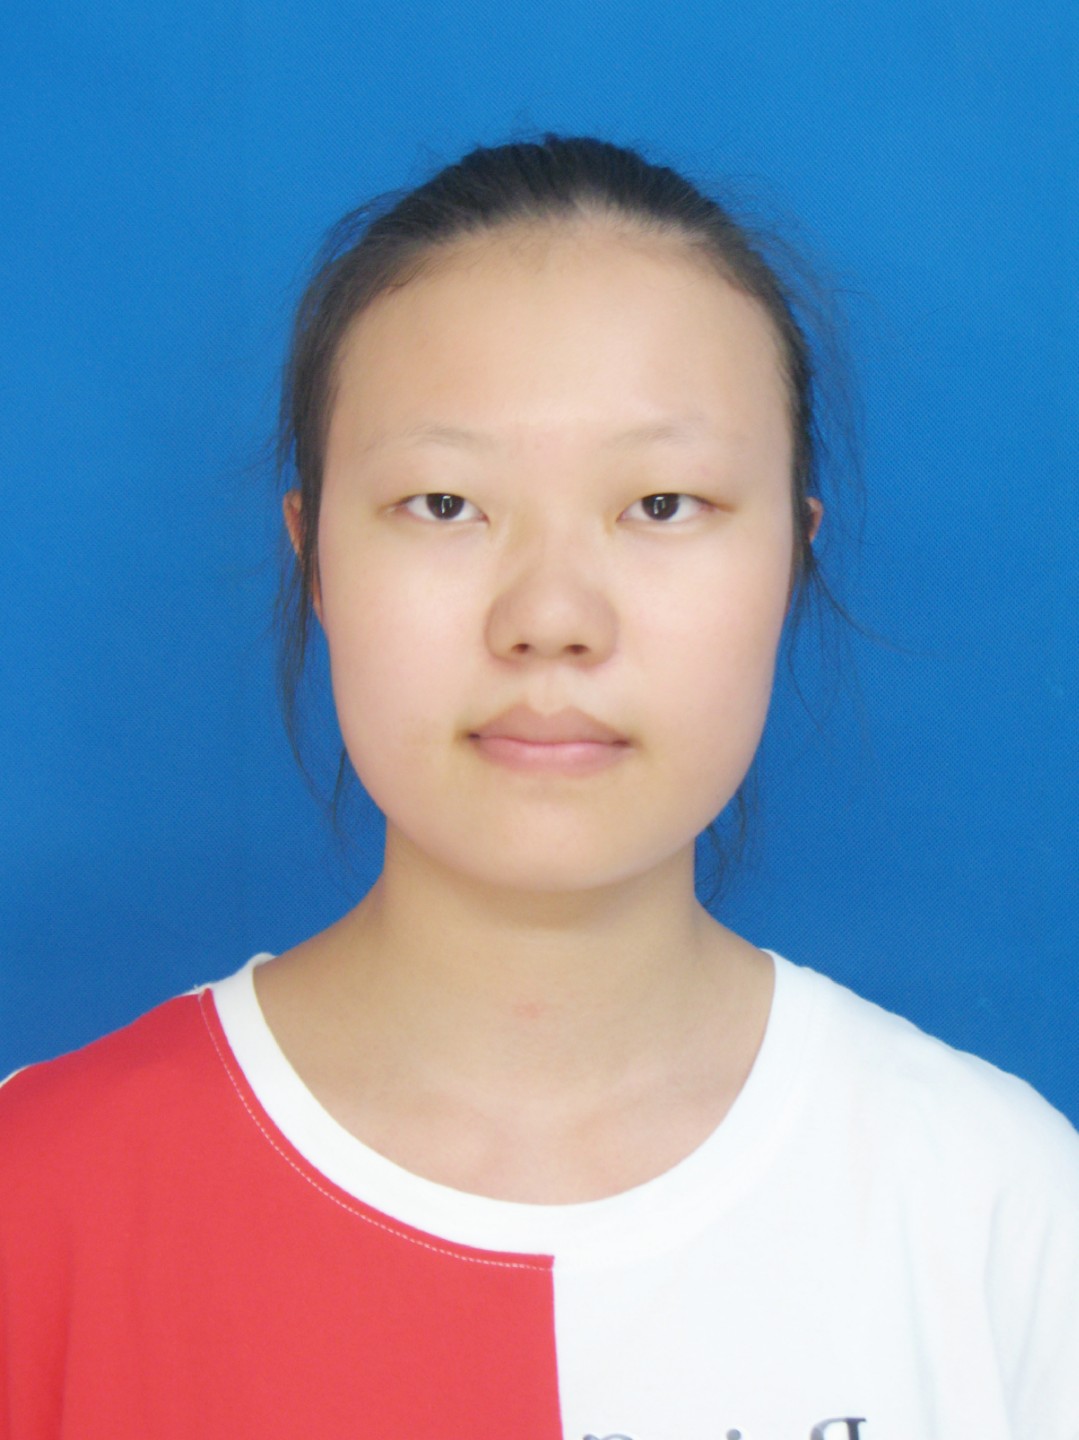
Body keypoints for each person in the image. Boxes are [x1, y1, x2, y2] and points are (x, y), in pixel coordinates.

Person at [1, 136, 1076, 1440]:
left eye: (663, 504)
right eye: (444, 503)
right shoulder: (35, 1201)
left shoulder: (1005, 1218)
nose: (552, 617)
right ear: (314, 558)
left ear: (793, 560)